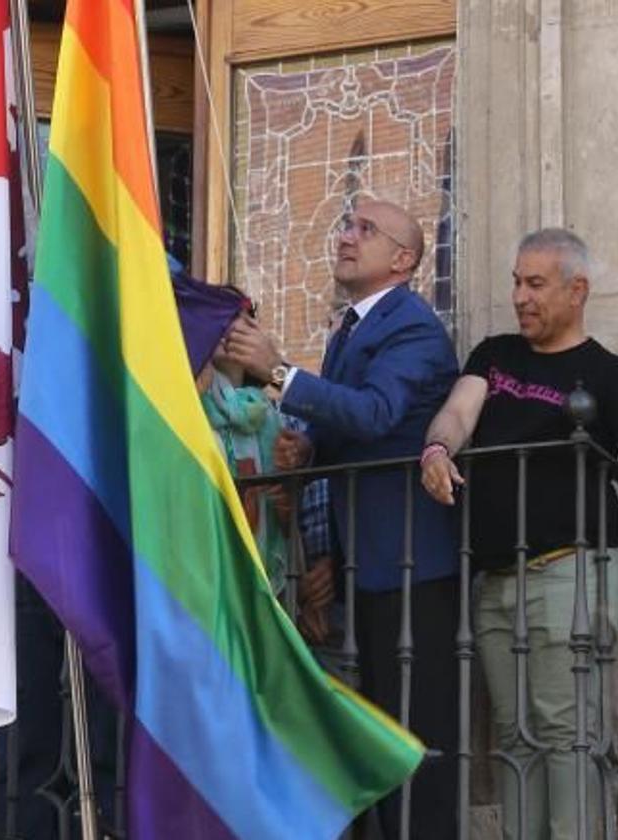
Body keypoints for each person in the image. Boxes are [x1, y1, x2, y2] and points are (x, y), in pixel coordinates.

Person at [419, 228, 618, 840]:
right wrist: (437, 447)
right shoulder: (494, 355)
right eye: (516, 281)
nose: (520, 296)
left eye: (535, 284)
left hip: (574, 572)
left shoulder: (607, 374)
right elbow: (460, 411)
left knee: (569, 737)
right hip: (497, 580)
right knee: (515, 737)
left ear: (577, 291)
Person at [225, 198, 461, 839]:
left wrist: (276, 371)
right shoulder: (351, 329)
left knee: (416, 736)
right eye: (346, 225)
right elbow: (353, 428)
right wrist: (309, 450)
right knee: (373, 734)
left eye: (365, 230)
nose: (347, 237)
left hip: (411, 558)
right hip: (366, 564)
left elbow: (380, 413)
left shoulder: (410, 326)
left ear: (403, 259)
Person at [198, 295, 290, 594]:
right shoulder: (193, 404)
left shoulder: (272, 418)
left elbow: (289, 516)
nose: (230, 328)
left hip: (262, 565)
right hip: (210, 568)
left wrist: (288, 504)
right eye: (218, 317)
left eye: (242, 318)